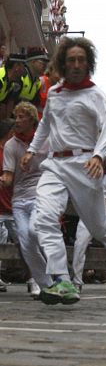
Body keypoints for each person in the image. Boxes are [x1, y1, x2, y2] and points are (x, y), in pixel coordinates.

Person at [21, 37, 106, 305]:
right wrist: (31, 151)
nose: (75, 65)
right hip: (54, 164)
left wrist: (98, 156)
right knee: (43, 220)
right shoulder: (56, 95)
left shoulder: (95, 95)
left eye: (81, 60)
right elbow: (45, 126)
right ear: (63, 63)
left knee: (101, 228)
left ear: (88, 64)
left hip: (85, 165)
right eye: (71, 60)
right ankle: (61, 279)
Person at [2, 103, 53, 299]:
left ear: (32, 120)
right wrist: (3, 180)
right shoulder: (11, 145)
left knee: (34, 231)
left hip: (41, 195)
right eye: (16, 116)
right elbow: (8, 177)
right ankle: (44, 284)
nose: (18, 120)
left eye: (22, 117)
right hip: (19, 199)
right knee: (25, 240)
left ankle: (52, 277)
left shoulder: (45, 141)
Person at [71, 154, 106, 293]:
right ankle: (77, 281)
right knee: (80, 245)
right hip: (87, 216)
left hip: (104, 216)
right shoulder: (88, 170)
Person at [0, 118, 16, 293]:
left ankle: (34, 278)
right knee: (0, 240)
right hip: (1, 204)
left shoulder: (13, 151)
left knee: (25, 240)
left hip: (14, 203)